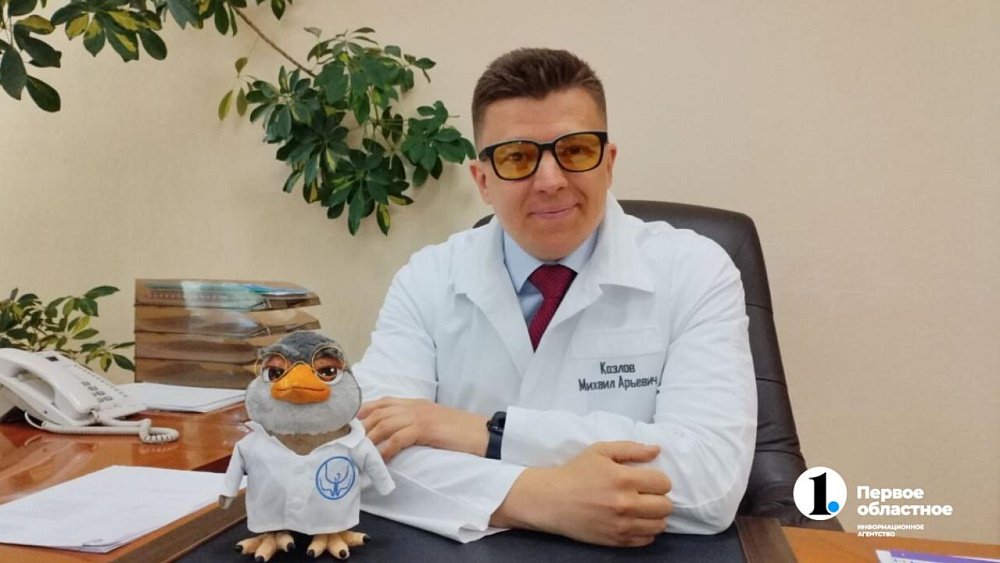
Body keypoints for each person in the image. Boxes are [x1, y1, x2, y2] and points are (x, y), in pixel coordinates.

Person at [353, 47, 757, 547]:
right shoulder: (428, 278)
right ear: (483, 180)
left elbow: (711, 481)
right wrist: (542, 498)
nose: (550, 181)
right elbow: (361, 457)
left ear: (608, 164)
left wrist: (482, 433)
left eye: (577, 151)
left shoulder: (696, 269)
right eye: (517, 157)